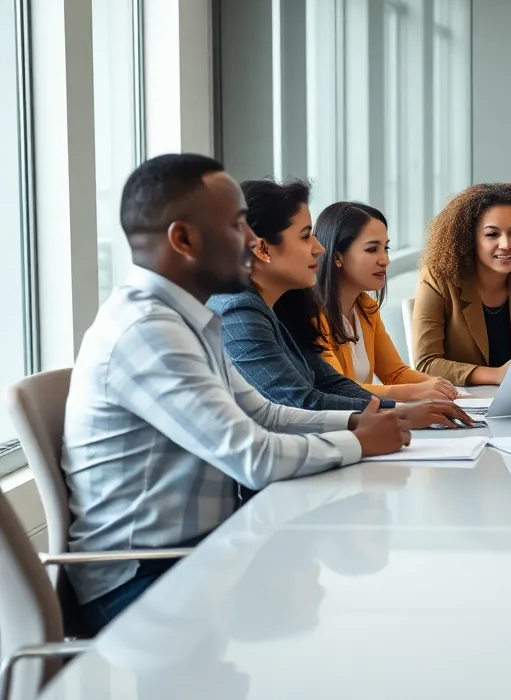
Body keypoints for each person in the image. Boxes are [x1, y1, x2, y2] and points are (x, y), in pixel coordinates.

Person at [63, 154, 411, 631]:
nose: (253, 242)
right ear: (183, 239)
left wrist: (355, 422)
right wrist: (359, 441)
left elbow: (265, 413)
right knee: (339, 622)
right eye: (237, 225)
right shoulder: (148, 332)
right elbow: (253, 457)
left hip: (194, 552)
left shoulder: (189, 318)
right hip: (142, 578)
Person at [208, 180, 468, 426]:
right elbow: (301, 403)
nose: (319, 248)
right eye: (305, 236)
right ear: (263, 249)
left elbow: (330, 383)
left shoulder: (282, 305)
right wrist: (400, 414)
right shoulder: (238, 311)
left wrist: (402, 409)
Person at [312, 200, 458, 401]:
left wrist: (439, 387)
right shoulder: (311, 315)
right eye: (372, 249)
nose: (385, 260)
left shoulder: (365, 308)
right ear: (338, 256)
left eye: (385, 248)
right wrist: (416, 391)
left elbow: (395, 374)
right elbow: (338, 389)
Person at [412, 182, 511, 386]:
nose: (506, 244)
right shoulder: (438, 277)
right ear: (469, 239)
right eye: (492, 234)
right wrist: (496, 375)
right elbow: (426, 363)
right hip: (459, 402)